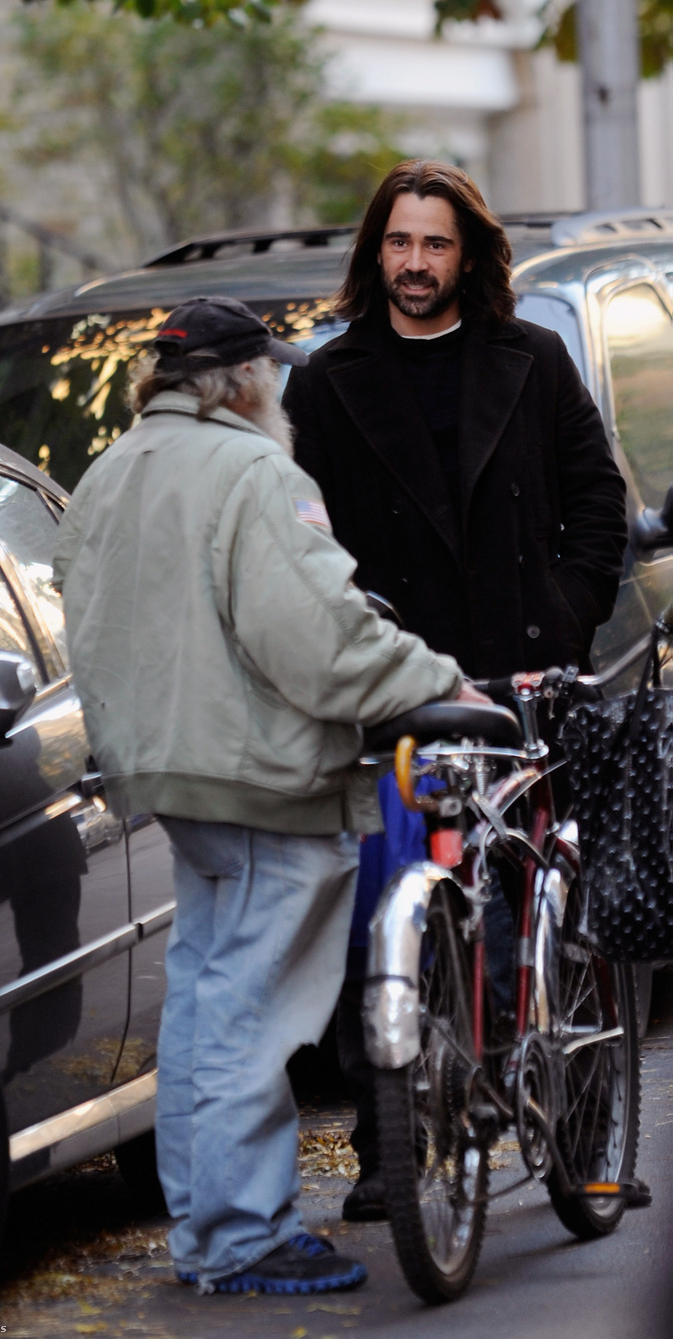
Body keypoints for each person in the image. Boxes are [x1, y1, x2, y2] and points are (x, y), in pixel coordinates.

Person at [52, 295, 486, 1297]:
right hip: (264, 777)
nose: (282, 391)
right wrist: (434, 680)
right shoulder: (255, 470)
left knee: (206, 1003)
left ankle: (210, 1229)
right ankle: (242, 1235)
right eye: (273, 374)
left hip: (168, 774)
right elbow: (319, 637)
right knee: (250, 1014)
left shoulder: (110, 474)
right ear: (242, 380)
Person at [282, 159, 628, 1222]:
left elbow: (595, 506)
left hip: (519, 678)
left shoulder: (530, 358)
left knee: (534, 897)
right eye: (398, 242)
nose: (415, 262)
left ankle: (573, 1129)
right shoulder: (326, 382)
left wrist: (559, 618)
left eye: (435, 244)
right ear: (372, 253)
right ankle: (394, 1140)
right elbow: (297, 541)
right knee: (384, 901)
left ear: (467, 254)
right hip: (392, 684)